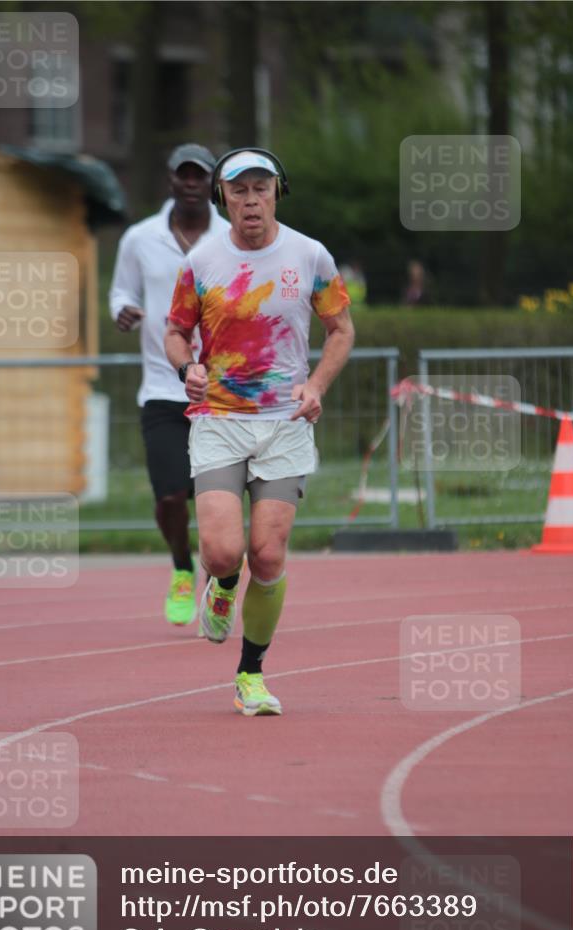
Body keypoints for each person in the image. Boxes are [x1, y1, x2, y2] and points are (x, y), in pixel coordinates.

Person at [165, 148, 355, 716]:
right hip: (220, 420)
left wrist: (316, 385)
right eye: (239, 190)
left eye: (261, 189)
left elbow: (341, 329)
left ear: (278, 192)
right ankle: (222, 584)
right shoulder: (202, 260)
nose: (251, 201)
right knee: (223, 552)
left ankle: (250, 674)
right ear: (223, 197)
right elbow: (175, 331)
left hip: (284, 424)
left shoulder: (310, 255)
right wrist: (187, 367)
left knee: (268, 556)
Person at [109, 144, 229, 626]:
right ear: (171, 179)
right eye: (184, 175)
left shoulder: (232, 237)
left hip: (222, 391)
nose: (192, 183)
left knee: (216, 501)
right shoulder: (140, 238)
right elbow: (121, 290)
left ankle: (220, 575)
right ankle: (182, 567)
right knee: (170, 497)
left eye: (201, 176)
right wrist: (122, 309)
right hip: (162, 387)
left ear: (213, 183)